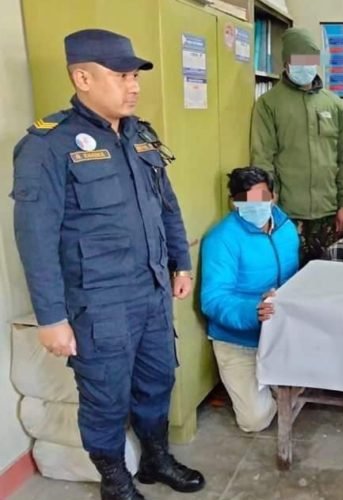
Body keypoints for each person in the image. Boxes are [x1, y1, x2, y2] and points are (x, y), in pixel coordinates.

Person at [11, 29, 204, 499]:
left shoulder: (141, 135)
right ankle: (115, 482)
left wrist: (180, 263)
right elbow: (35, 238)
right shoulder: (48, 145)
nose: (133, 86)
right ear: (82, 78)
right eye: (121, 76)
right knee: (105, 396)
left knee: (158, 380)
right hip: (98, 304)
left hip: (152, 291)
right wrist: (51, 318)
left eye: (134, 76)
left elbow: (167, 206)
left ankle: (155, 459)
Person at [200, 167, 299, 434]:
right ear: (233, 202)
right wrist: (252, 311)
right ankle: (264, 385)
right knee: (254, 420)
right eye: (246, 199)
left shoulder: (286, 228)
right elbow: (213, 298)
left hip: (279, 333)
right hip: (238, 340)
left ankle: (272, 383)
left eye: (262, 197)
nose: (256, 205)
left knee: (305, 388)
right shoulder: (222, 238)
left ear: (273, 197)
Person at [251, 27, 343, 264]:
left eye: (310, 60)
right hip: (288, 212)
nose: (305, 66)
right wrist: (269, 203)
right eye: (298, 61)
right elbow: (263, 157)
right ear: (286, 63)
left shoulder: (333, 104)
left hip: (328, 213)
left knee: (327, 274)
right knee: (289, 273)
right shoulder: (269, 104)